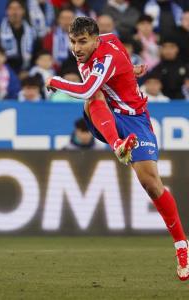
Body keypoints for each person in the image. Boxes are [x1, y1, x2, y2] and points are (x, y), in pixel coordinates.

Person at [46, 16, 189, 280]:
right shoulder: (107, 44)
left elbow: (89, 81)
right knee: (94, 96)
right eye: (73, 42)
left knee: (152, 184)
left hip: (136, 119)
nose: (77, 48)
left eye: (83, 42)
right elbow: (104, 77)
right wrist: (130, 69)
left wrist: (55, 82)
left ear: (96, 40)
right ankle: (117, 145)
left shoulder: (104, 54)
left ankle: (182, 245)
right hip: (107, 118)